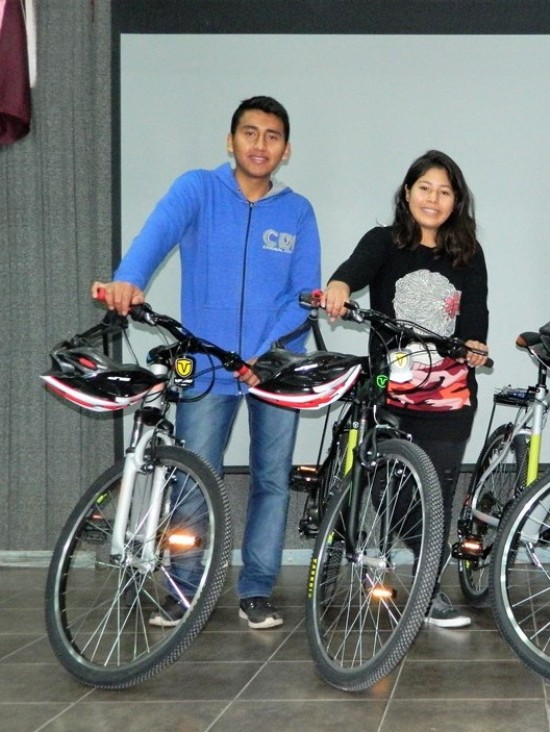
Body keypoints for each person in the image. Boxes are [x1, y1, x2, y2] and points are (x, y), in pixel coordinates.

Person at [94, 95, 321, 630]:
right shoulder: (197, 188)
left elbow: (304, 293)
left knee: (271, 477)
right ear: (230, 140)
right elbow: (156, 233)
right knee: (195, 478)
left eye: (271, 136)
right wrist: (129, 277)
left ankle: (257, 589)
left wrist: (263, 352)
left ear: (286, 150)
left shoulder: (297, 210)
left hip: (274, 365)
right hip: (204, 363)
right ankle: (183, 587)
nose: (259, 144)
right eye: (249, 132)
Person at [322, 150, 489, 629]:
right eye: (424, 188)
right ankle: (417, 553)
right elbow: (352, 270)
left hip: (449, 391)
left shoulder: (468, 252)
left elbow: (475, 311)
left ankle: (428, 588)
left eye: (444, 191)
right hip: (388, 387)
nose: (433, 198)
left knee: (437, 492)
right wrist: (337, 286)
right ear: (408, 193)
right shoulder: (384, 242)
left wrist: (474, 343)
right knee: (383, 483)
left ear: (456, 200)